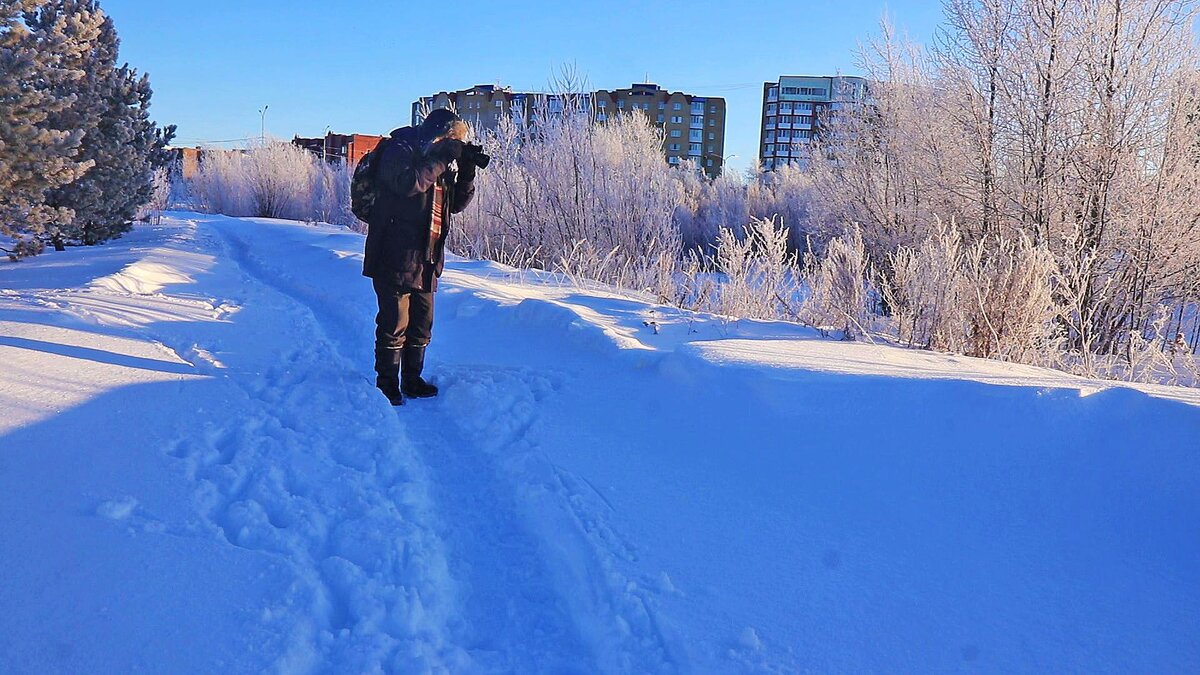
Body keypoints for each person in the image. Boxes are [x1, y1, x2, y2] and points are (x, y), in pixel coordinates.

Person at [362, 109, 477, 405]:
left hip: (426, 256)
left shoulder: (436, 161)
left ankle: (412, 379)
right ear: (437, 133)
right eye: (450, 140)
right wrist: (441, 159)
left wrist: (466, 172)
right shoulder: (399, 148)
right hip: (393, 252)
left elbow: (456, 205)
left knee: (422, 324)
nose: (451, 146)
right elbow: (407, 183)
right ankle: (386, 384)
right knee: (394, 323)